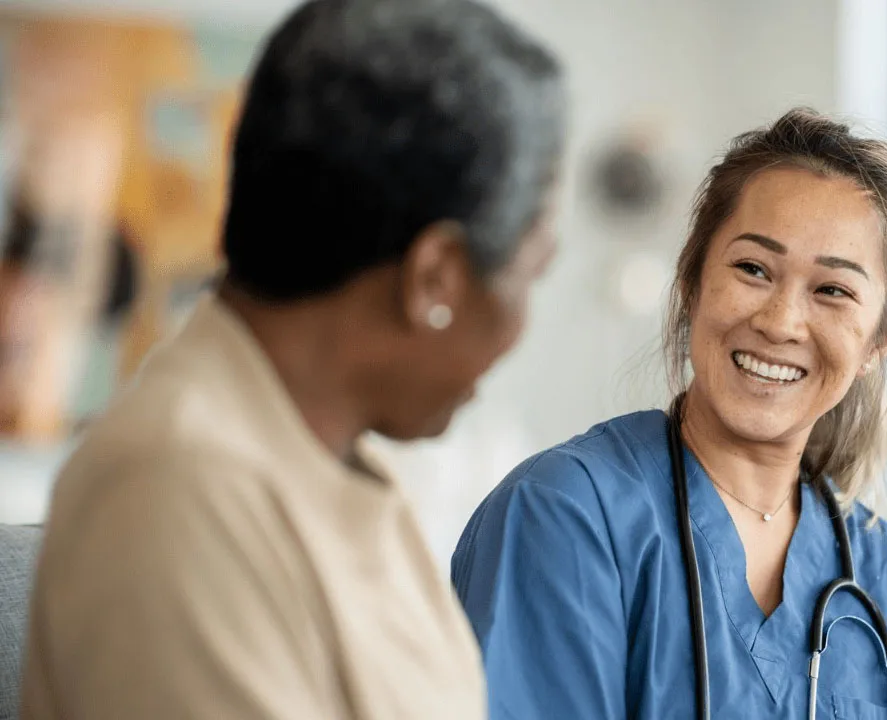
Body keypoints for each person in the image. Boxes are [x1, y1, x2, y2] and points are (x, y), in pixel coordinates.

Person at [21, 0, 565, 717]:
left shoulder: (340, 467)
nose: (521, 326)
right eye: (531, 273)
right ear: (436, 277)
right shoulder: (179, 485)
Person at [452, 109, 887, 719]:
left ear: (881, 339)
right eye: (753, 269)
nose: (780, 322)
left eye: (832, 290)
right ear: (692, 281)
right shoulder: (565, 515)